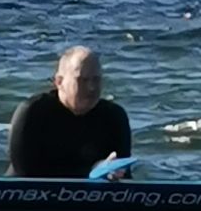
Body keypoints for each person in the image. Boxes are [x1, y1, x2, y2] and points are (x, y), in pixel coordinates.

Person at [7, 43, 134, 180]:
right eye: (82, 80)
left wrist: (113, 173)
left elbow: (125, 177)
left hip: (94, 195)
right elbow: (25, 173)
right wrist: (90, 172)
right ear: (59, 82)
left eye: (96, 80)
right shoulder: (32, 113)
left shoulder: (114, 117)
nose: (91, 88)